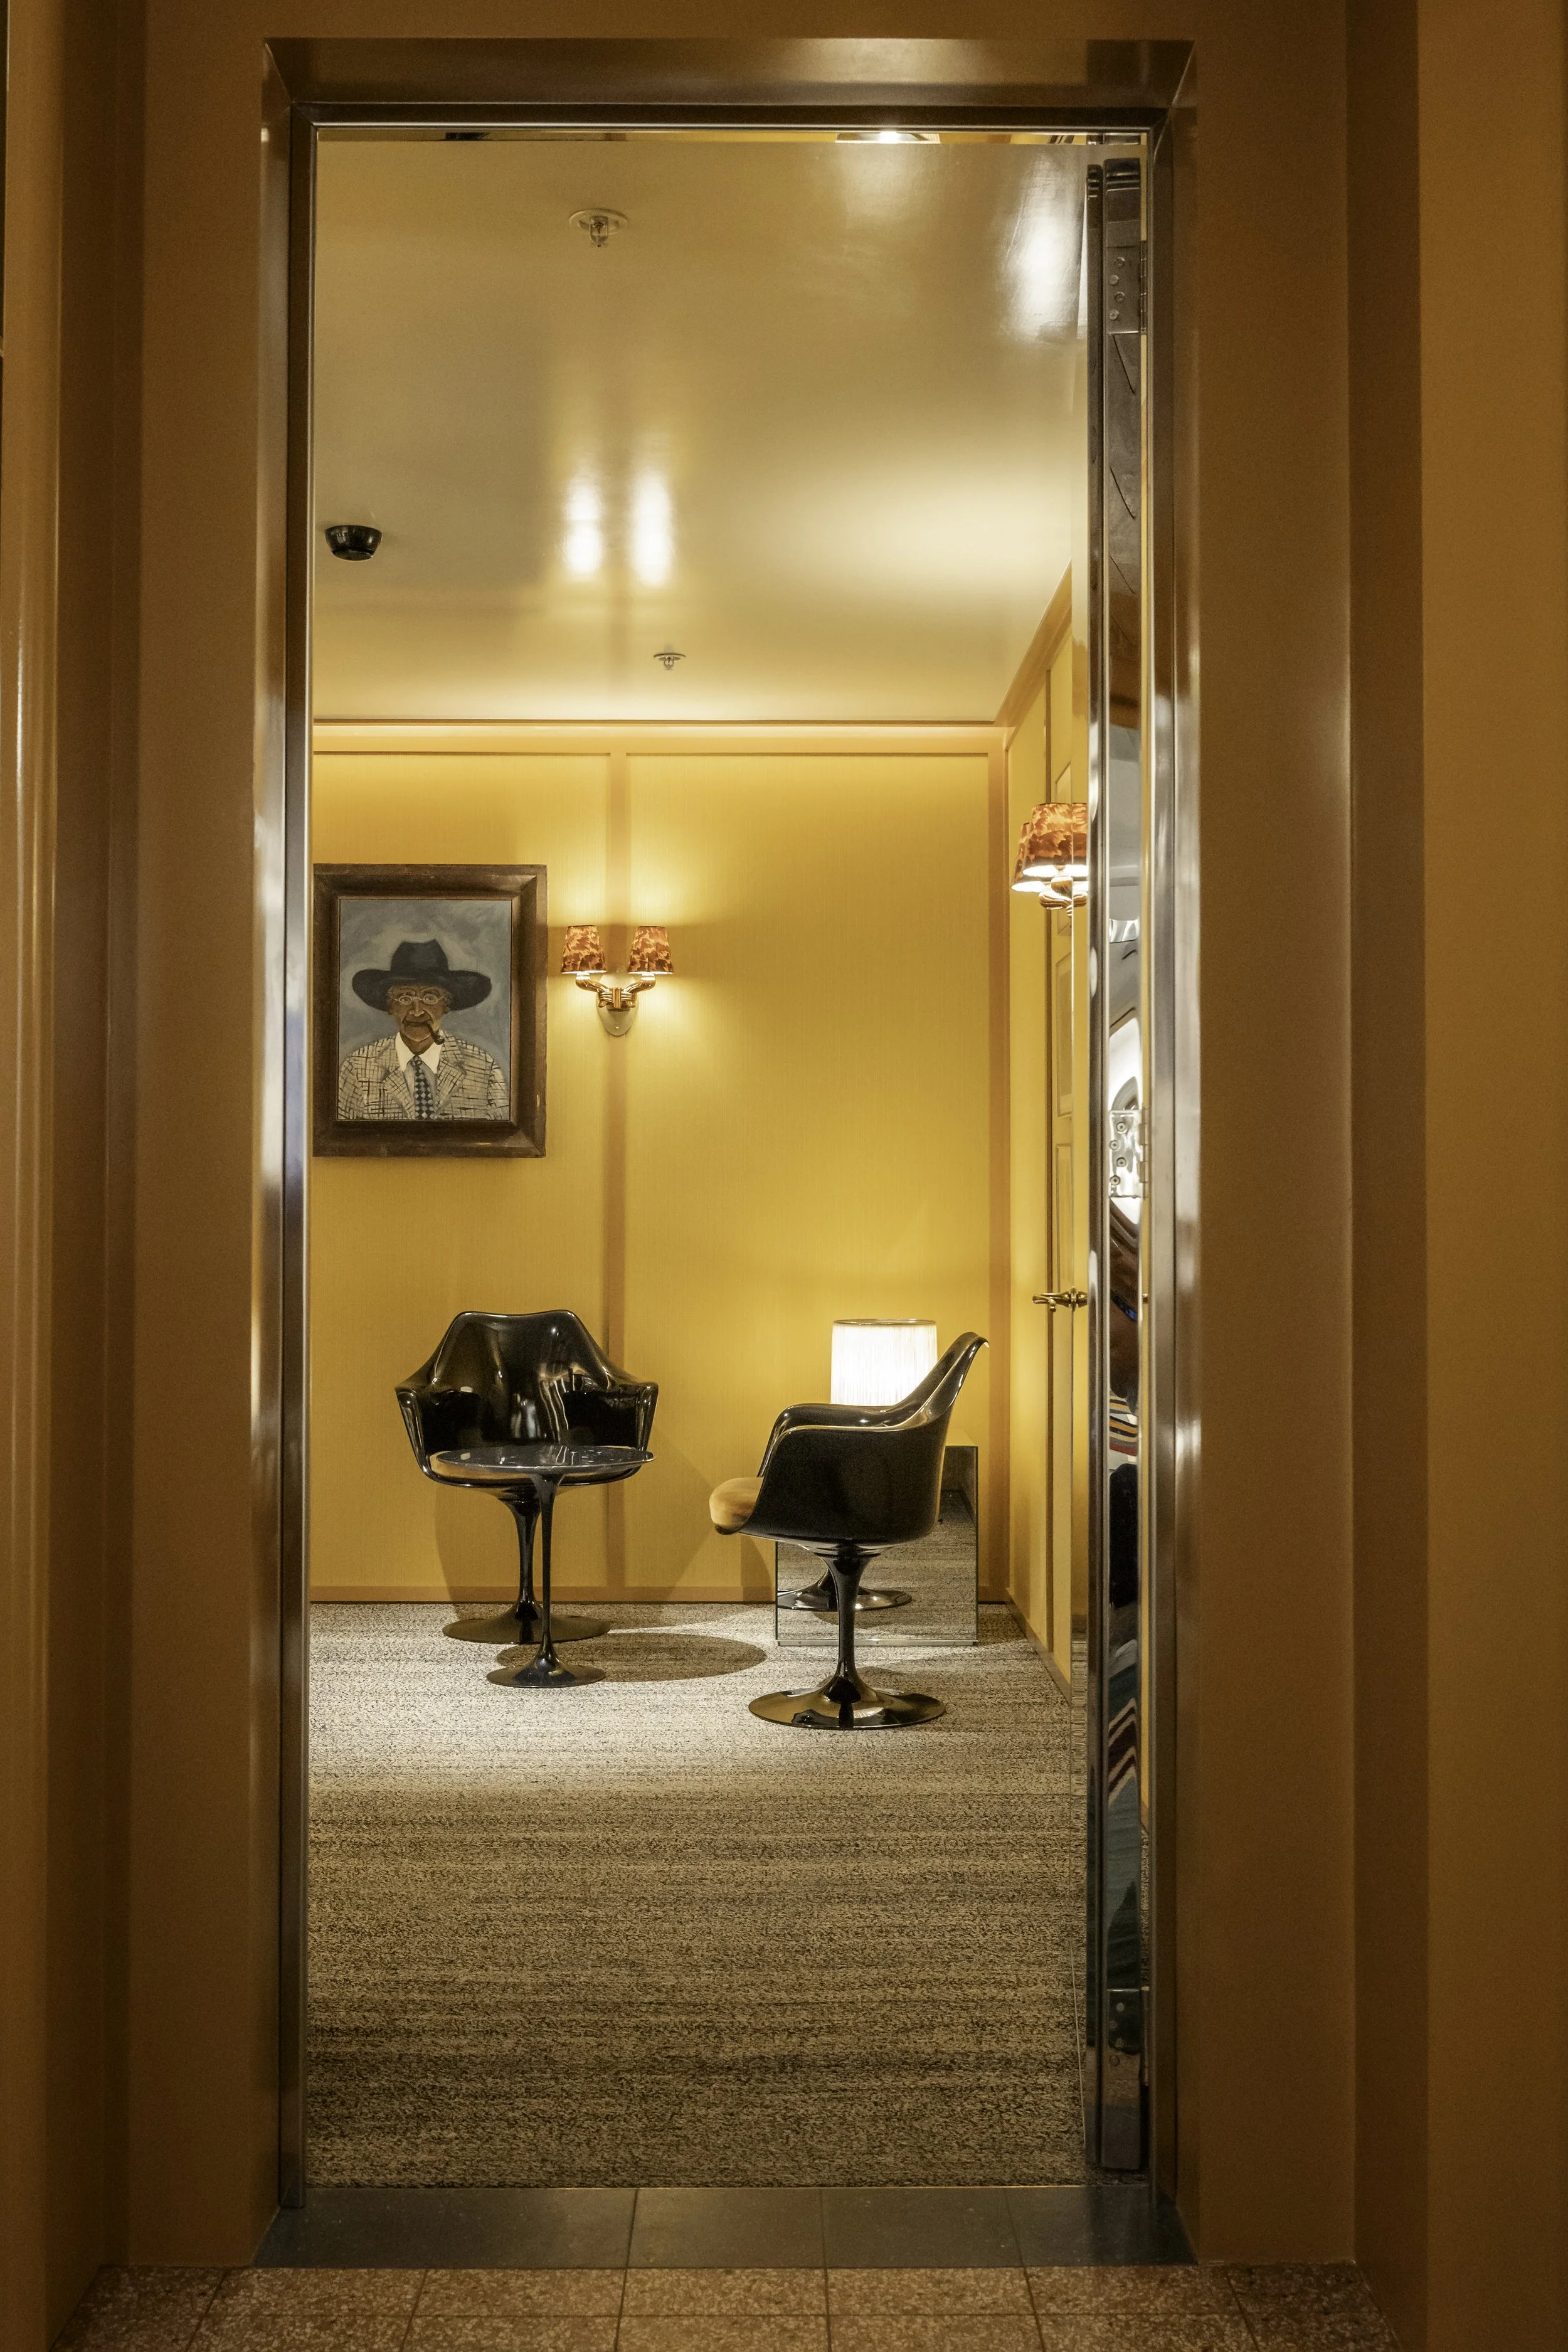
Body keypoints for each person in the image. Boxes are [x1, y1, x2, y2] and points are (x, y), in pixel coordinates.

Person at [337, 937, 509, 1120]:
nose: (417, 1012)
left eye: (430, 998)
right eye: (404, 998)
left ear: (446, 1005)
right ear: (390, 1007)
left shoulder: (483, 1067)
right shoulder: (358, 1067)